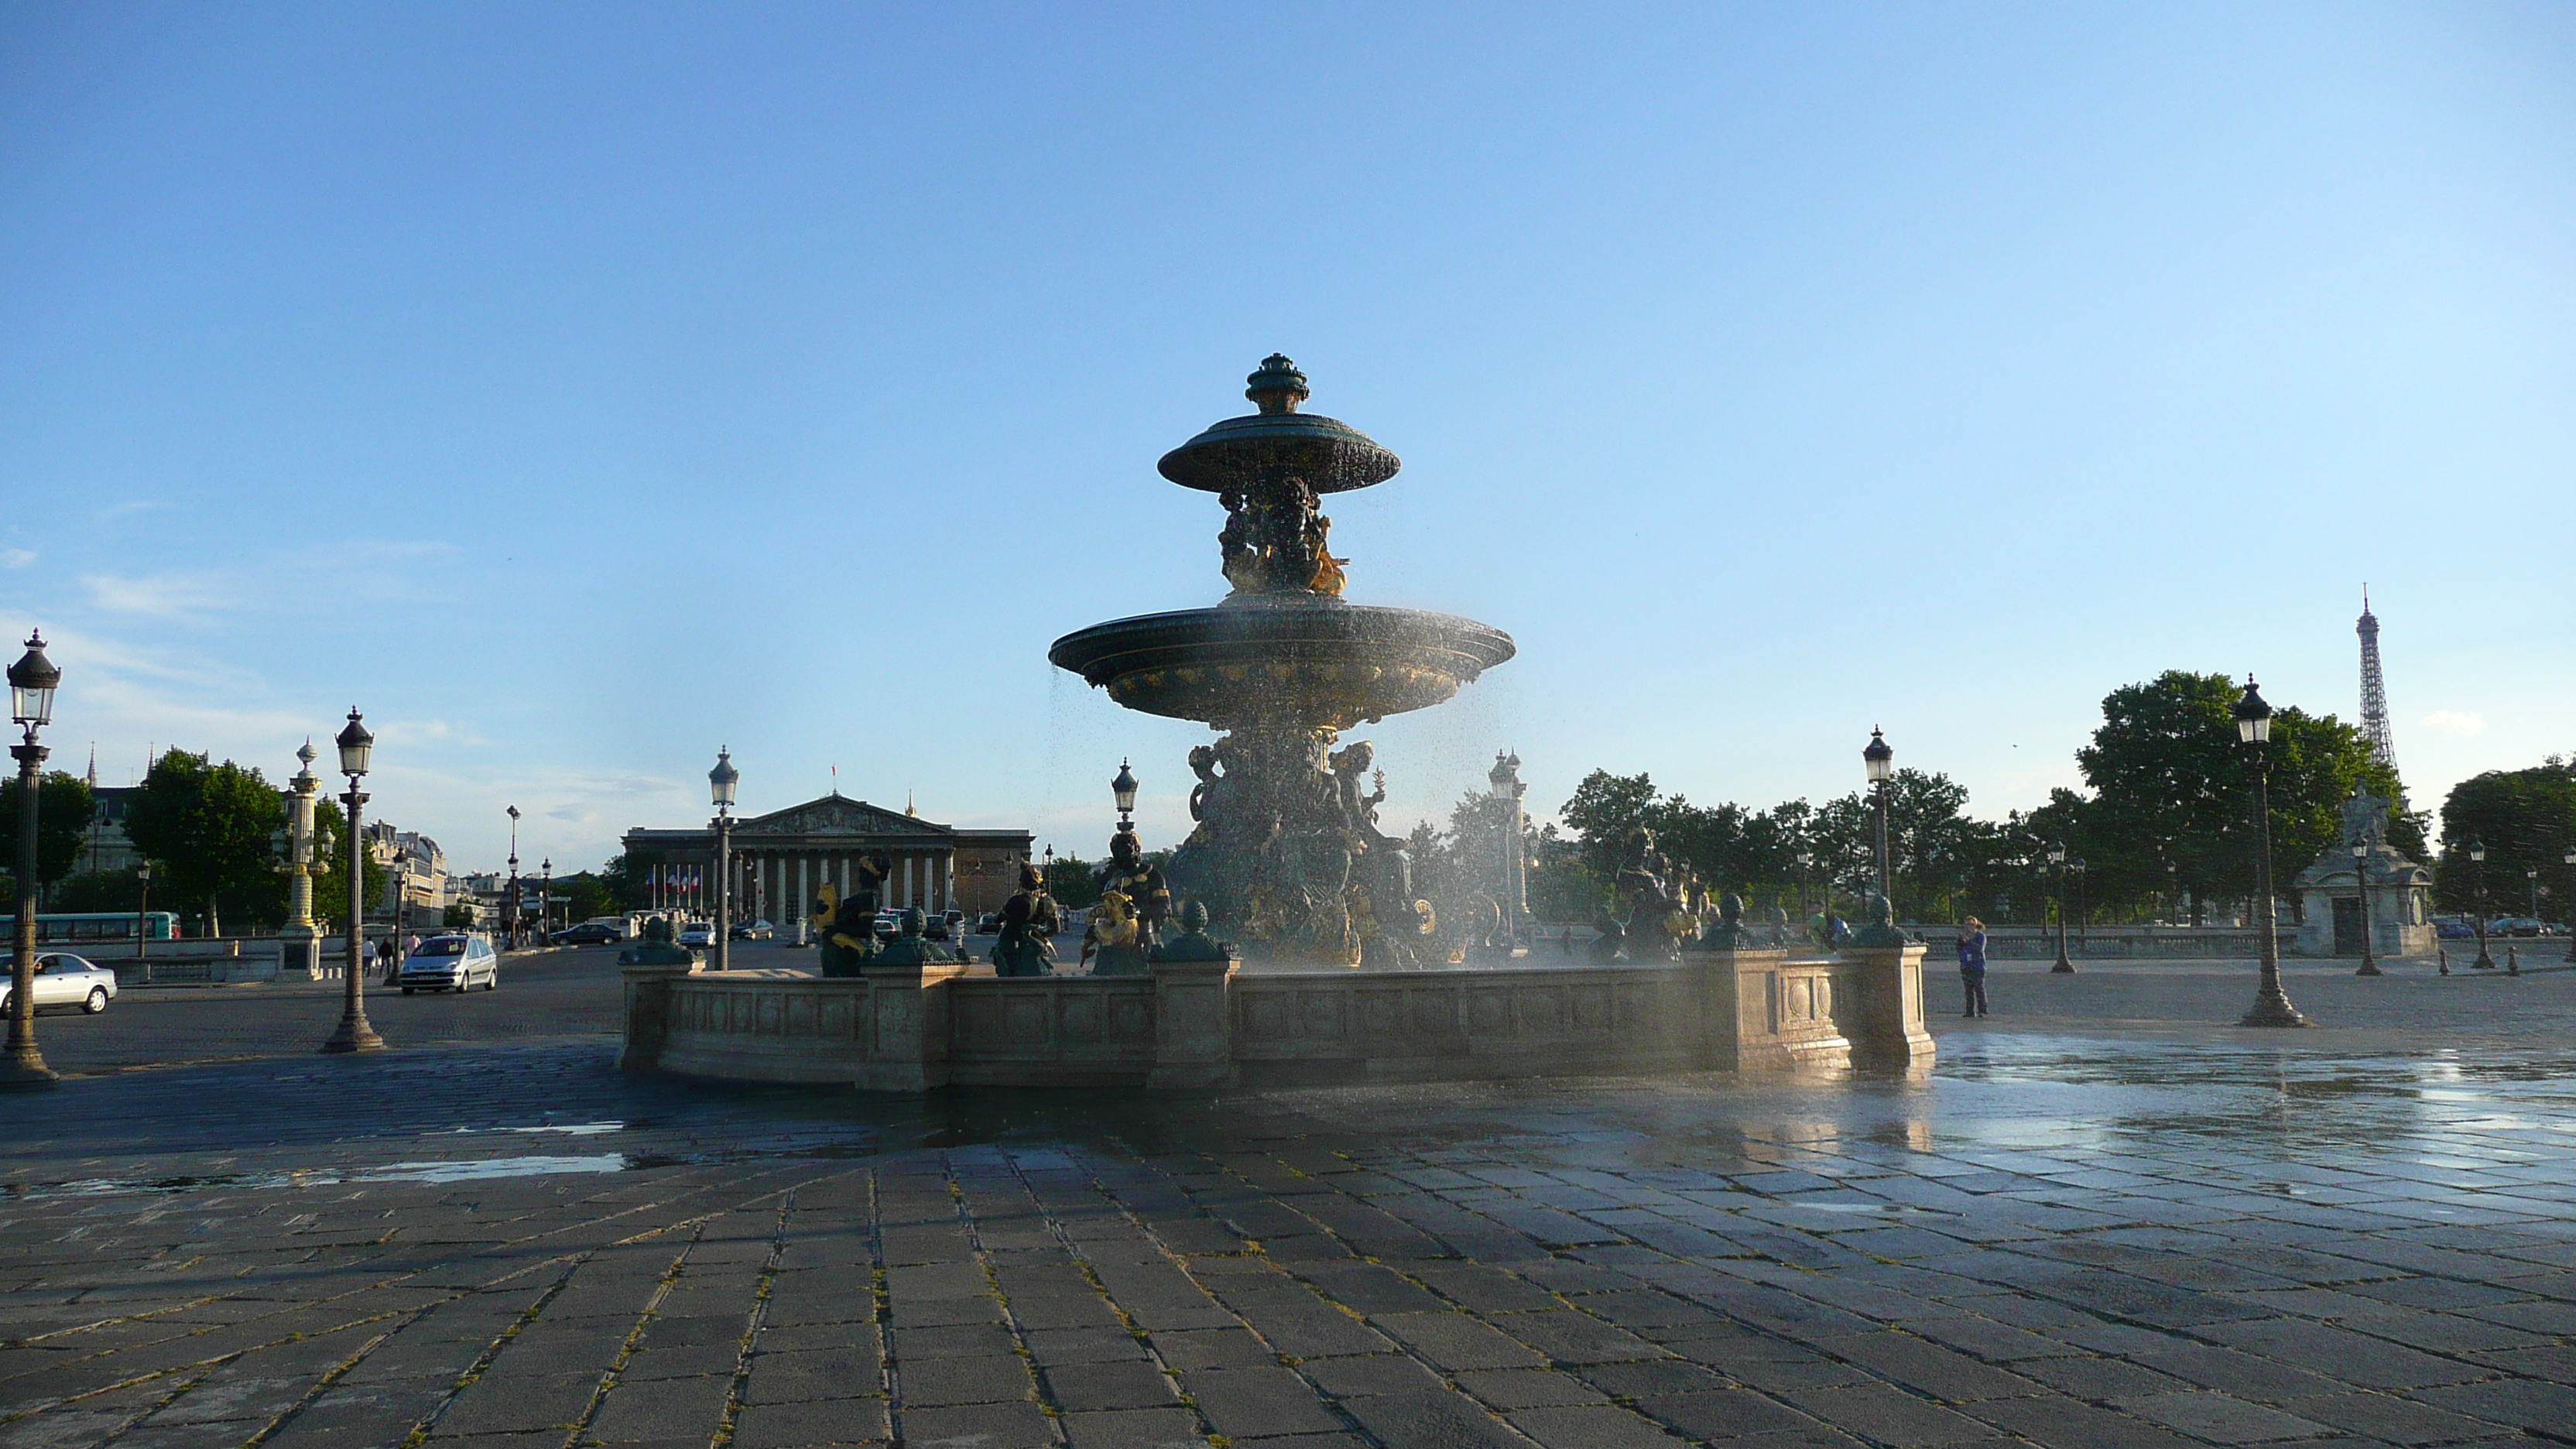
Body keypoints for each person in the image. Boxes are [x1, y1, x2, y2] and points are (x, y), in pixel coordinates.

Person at [1956, 916, 1989, 1018]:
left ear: (1976, 925)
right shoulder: (1962, 936)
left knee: (1979, 989)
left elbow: (1980, 949)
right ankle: (1970, 1011)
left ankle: (1982, 1011)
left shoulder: (1980, 936)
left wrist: (1969, 941)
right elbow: (1958, 949)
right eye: (1967, 924)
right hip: (1966, 965)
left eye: (1971, 924)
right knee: (1968, 990)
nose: (1969, 927)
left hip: (1978, 965)